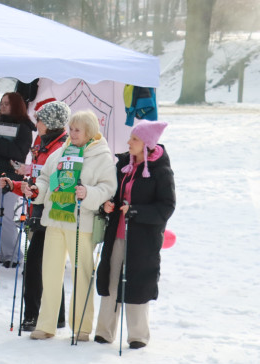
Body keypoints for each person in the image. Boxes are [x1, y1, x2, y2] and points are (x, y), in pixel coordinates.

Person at [27, 110, 117, 341]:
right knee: (50, 273)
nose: (72, 133)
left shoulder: (102, 156)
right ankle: (46, 324)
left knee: (82, 274)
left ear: (90, 132)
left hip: (82, 222)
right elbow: (46, 178)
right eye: (71, 128)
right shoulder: (60, 152)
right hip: (55, 219)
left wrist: (89, 193)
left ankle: (82, 327)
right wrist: (37, 190)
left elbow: (108, 188)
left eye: (77, 130)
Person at [95, 120, 175, 348]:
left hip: (142, 239)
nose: (129, 142)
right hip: (117, 233)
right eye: (130, 138)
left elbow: (167, 206)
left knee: (138, 282)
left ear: (147, 143)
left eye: (135, 139)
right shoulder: (124, 165)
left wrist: (136, 211)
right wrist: (108, 205)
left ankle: (138, 335)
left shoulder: (161, 171)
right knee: (110, 278)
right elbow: (114, 194)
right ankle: (104, 331)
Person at [1, 99, 70, 332]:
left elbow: (56, 183)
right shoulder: (41, 142)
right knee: (46, 264)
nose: (36, 122)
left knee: (37, 266)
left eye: (39, 119)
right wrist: (15, 185)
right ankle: (56, 316)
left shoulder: (63, 147)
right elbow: (36, 180)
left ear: (50, 122)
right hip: (36, 210)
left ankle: (32, 315)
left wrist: (31, 187)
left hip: (52, 214)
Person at [0, 92, 35, 267]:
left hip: (10, 178)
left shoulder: (25, 128)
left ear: (16, 105)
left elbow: (20, 153)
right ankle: (3, 251)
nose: (2, 106)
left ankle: (13, 255)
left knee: (5, 216)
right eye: (1, 103)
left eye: (7, 103)